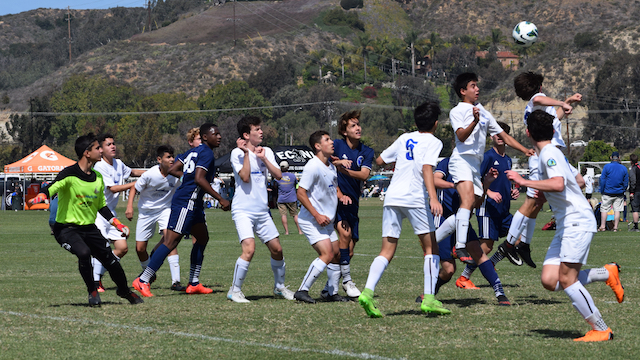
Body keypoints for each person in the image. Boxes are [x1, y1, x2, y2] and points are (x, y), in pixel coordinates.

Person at [506, 110, 623, 342]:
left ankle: (601, 329)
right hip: (567, 223)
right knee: (551, 280)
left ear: (527, 133)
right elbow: (577, 181)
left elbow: (558, 184)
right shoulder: (552, 154)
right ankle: (606, 272)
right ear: (552, 131)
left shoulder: (549, 153)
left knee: (568, 280)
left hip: (576, 222)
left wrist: (524, 180)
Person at [358, 100, 449, 317]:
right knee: (431, 249)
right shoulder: (435, 142)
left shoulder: (404, 137)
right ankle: (429, 298)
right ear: (435, 124)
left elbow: (380, 160)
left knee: (386, 250)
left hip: (393, 197)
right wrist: (433, 198)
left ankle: (367, 293)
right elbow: (427, 168)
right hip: (415, 197)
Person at [30, 133, 142, 306]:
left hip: (90, 229)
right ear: (87, 153)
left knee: (111, 261)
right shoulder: (69, 174)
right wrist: (42, 196)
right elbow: (53, 186)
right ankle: (92, 290)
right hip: (66, 229)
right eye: (97, 148)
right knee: (84, 253)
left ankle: (124, 291)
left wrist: (117, 223)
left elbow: (101, 207)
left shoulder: (97, 177)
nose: (101, 150)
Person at [132, 123, 231, 297]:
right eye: (216, 134)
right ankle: (143, 280)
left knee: (202, 238)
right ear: (206, 137)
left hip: (194, 202)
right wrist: (220, 198)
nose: (220, 136)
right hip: (187, 201)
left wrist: (188, 177)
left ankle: (193, 283)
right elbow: (200, 179)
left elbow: (172, 169)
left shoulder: (192, 152)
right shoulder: (206, 153)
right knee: (170, 242)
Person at [499, 71, 584, 266]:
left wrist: (568, 101)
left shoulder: (539, 109)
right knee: (532, 202)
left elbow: (555, 118)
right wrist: (561, 102)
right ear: (539, 87)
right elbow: (540, 99)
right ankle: (510, 244)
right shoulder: (537, 100)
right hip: (544, 158)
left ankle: (524, 244)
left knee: (577, 182)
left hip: (553, 157)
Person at [448, 73, 533, 263]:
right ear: (463, 91)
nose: (477, 89)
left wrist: (524, 149)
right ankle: (460, 247)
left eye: (477, 85)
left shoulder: (482, 110)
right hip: (461, 160)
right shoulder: (457, 111)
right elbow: (461, 136)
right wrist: (475, 122)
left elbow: (504, 134)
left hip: (474, 166)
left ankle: (439, 236)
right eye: (472, 86)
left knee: (474, 204)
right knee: (468, 200)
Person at [422, 154, 511, 306]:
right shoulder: (447, 162)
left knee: (479, 252)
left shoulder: (472, 168)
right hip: (442, 218)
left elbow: (477, 203)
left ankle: (500, 293)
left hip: (461, 220)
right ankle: (429, 292)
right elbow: (435, 180)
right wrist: (454, 185)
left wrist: (486, 183)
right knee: (449, 270)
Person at [227, 116, 295, 303]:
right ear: (246, 135)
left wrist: (264, 158)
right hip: (243, 210)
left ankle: (279, 287)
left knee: (277, 249)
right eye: (257, 129)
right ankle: (235, 290)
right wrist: (248, 154)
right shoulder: (236, 153)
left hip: (262, 211)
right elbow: (245, 177)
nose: (261, 131)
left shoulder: (267, 151)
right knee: (249, 249)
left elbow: (279, 175)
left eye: (260, 128)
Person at [458, 121, 524, 289]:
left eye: (502, 134)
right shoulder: (487, 157)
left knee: (517, 239)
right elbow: (475, 181)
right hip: (487, 209)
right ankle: (464, 278)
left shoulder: (508, 160)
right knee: (485, 248)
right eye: (495, 133)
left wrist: (512, 191)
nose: (498, 137)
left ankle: (491, 263)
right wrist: (489, 192)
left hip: (503, 210)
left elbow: (503, 181)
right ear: (491, 136)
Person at [292, 130, 351, 304]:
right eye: (327, 140)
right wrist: (316, 215)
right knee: (327, 254)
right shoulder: (313, 165)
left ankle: (331, 293)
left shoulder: (331, 166)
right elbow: (300, 193)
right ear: (318, 146)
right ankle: (302, 290)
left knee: (336, 255)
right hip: (312, 220)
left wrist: (341, 196)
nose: (332, 142)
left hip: (327, 221)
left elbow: (334, 188)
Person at [324, 109, 375, 299]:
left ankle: (328, 287)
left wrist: (344, 170)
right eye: (353, 125)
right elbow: (324, 156)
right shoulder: (336, 145)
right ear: (344, 131)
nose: (358, 128)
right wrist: (334, 163)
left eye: (358, 125)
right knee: (344, 235)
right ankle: (347, 281)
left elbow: (364, 175)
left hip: (353, 203)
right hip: (336, 201)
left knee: (349, 250)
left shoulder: (367, 151)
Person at [126, 145, 185, 291]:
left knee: (170, 239)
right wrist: (129, 207)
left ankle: (176, 281)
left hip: (165, 210)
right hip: (146, 213)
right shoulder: (149, 174)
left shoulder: (176, 175)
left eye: (173, 156)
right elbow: (134, 188)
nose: (172, 159)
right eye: (168, 157)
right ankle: (148, 274)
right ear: (159, 159)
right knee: (140, 249)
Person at [92, 134, 146, 292]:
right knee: (101, 247)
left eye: (113, 143)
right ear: (101, 150)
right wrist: (136, 184)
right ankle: (95, 282)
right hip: (98, 213)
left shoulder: (119, 163)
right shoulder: (99, 166)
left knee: (122, 247)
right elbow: (113, 188)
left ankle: (99, 273)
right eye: (108, 144)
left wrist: (154, 173)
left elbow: (133, 172)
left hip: (111, 213)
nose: (113, 146)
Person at [598, 152, 629, 232]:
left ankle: (603, 226)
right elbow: (626, 181)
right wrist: (623, 189)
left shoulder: (607, 167)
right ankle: (615, 227)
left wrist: (602, 190)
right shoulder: (623, 168)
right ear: (619, 158)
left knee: (604, 209)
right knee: (617, 210)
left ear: (611, 157)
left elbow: (603, 180)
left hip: (608, 192)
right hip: (619, 192)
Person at [276, 161, 302, 235]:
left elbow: (275, 186)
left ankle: (286, 232)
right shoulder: (293, 176)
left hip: (281, 198)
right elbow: (296, 185)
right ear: (288, 167)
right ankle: (300, 231)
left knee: (283, 215)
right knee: (295, 214)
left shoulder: (278, 176)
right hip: (292, 198)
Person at [629, 154, 640, 231]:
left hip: (636, 191)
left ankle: (636, 227)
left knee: (635, 209)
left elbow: (633, 181)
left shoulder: (633, 169)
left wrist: (632, 192)